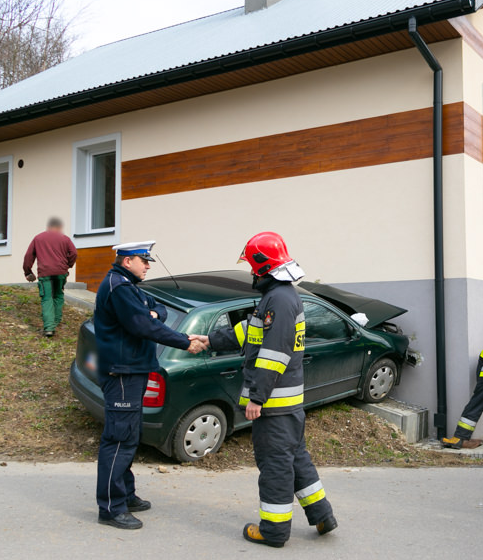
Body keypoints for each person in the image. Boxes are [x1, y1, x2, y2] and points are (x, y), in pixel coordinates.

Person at [200, 232, 336, 548]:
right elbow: (253, 331)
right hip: (287, 403)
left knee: (275, 465)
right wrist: (211, 341)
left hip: (274, 404)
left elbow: (275, 353)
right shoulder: (280, 296)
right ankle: (321, 514)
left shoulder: (279, 299)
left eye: (251, 265)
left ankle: (274, 531)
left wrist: (257, 397)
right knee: (295, 458)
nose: (250, 272)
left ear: (264, 266)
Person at [93, 241, 207, 530]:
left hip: (133, 370)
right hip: (123, 373)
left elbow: (158, 310)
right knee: (119, 438)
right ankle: (110, 507)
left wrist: (151, 313)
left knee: (130, 435)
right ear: (127, 260)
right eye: (144, 261)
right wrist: (184, 341)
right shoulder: (119, 287)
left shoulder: (129, 286)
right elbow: (143, 326)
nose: (147, 266)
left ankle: (125, 494)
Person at [22, 217, 77, 337]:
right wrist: (68, 265)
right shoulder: (65, 239)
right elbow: (74, 253)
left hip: (45, 273)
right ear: (58, 227)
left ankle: (49, 328)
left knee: (47, 298)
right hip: (61, 273)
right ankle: (56, 322)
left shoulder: (38, 238)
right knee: (58, 295)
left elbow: (28, 256)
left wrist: (28, 271)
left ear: (48, 227)